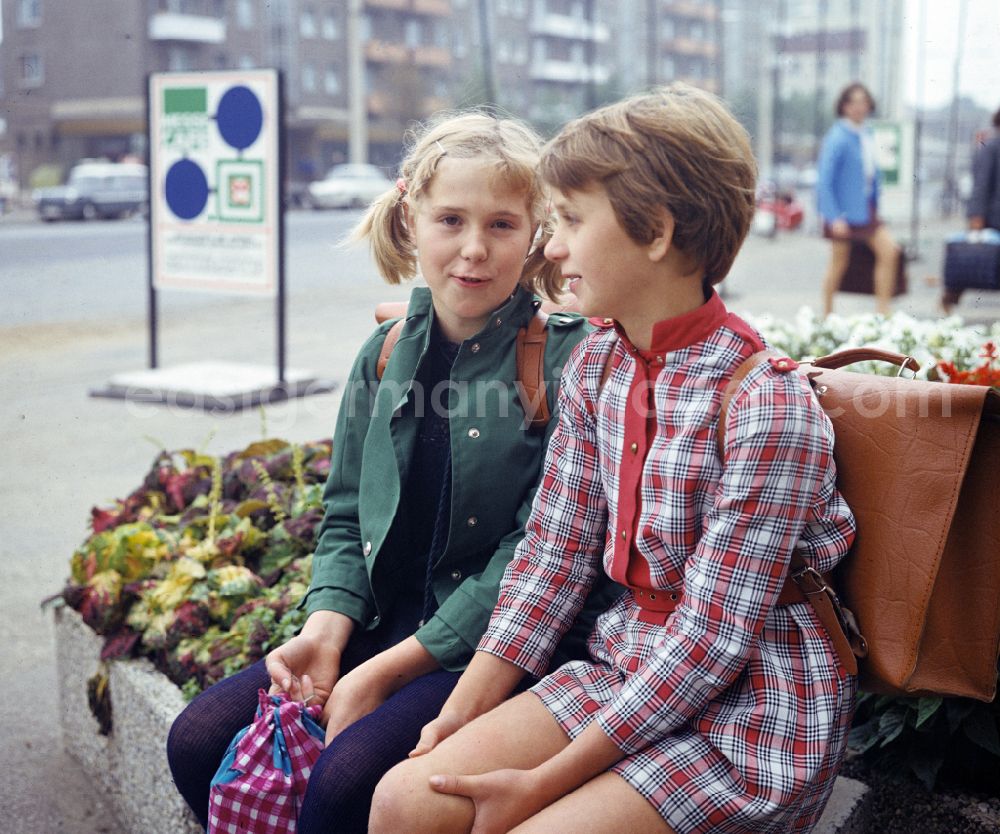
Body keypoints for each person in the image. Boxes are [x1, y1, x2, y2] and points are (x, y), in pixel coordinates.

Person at [369, 83, 857, 834]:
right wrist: (459, 714)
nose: (550, 245)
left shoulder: (767, 405)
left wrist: (542, 785)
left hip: (749, 718)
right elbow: (554, 555)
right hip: (622, 667)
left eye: (567, 219)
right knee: (406, 797)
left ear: (656, 231)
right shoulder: (600, 362)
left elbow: (711, 642)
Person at [166, 110, 613, 833]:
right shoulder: (384, 352)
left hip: (493, 644)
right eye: (451, 221)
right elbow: (346, 515)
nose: (473, 250)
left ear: (537, 231)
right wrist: (327, 631)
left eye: (501, 225)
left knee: (342, 785)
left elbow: (537, 555)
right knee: (195, 740)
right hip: (380, 622)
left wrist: (387, 670)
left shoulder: (564, 360)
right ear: (411, 219)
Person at [817, 82, 899, 316]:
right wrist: (834, 217)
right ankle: (827, 316)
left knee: (889, 251)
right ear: (843, 106)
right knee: (838, 263)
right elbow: (824, 181)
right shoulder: (837, 137)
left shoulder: (867, 133)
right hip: (843, 213)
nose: (858, 107)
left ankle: (883, 311)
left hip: (866, 209)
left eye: (863, 102)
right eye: (852, 102)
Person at [944, 105, 1000, 311]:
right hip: (993, 216)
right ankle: (949, 298)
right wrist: (976, 216)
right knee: (975, 260)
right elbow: (981, 184)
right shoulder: (991, 145)